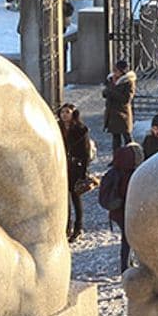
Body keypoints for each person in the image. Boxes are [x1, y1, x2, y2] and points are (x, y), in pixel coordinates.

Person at [58, 102, 92, 242]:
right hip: (61, 166)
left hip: (75, 167)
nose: (64, 115)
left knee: (75, 198)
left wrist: (83, 173)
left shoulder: (80, 130)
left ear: (73, 113)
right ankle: (66, 226)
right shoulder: (57, 128)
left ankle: (78, 227)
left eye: (67, 112)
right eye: (62, 112)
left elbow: (85, 152)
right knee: (63, 199)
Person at [109, 141, 144, 271]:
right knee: (129, 241)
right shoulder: (131, 175)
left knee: (126, 239)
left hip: (116, 212)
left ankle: (126, 265)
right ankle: (127, 266)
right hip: (127, 212)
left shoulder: (117, 168)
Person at [103, 58, 136, 151]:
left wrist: (111, 92)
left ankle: (133, 156)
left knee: (127, 137)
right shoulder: (111, 80)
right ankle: (117, 158)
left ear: (122, 71)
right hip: (112, 113)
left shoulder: (128, 82)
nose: (114, 72)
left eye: (116, 70)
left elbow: (126, 99)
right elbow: (106, 92)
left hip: (122, 114)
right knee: (115, 139)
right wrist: (106, 92)